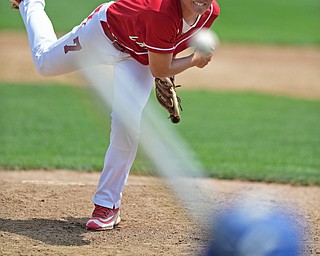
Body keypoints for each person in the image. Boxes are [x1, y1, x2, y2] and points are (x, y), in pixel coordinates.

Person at [9, 0, 220, 231]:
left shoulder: (210, 12)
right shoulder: (161, 14)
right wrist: (193, 61)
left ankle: (107, 205)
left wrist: (164, 64)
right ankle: (31, 3)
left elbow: (171, 43)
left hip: (138, 59)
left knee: (126, 124)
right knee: (44, 63)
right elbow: (159, 67)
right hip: (102, 35)